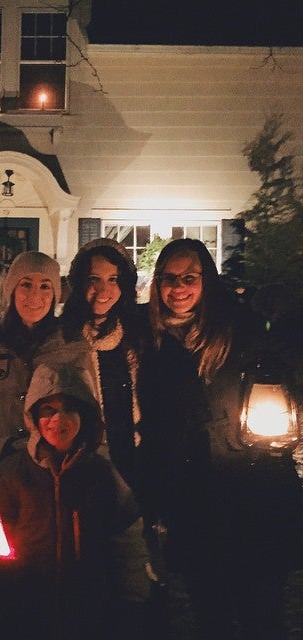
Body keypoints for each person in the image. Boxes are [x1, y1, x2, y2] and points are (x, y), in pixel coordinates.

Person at [139, 238, 303, 639]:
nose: (179, 288)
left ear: (206, 280)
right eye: (169, 278)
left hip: (251, 489)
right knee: (209, 608)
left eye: (189, 278)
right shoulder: (150, 340)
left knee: (259, 608)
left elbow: (283, 379)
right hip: (190, 495)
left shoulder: (240, 330)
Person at [0, 362, 151, 640]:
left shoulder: (101, 473)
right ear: (33, 417)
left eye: (69, 408)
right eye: (48, 410)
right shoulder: (14, 470)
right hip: (25, 606)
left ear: (85, 414)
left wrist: (132, 599)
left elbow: (127, 540)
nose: (58, 419)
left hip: (89, 610)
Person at [0, 250, 81, 525]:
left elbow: (88, 424)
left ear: (55, 294)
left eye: (45, 286)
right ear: (12, 290)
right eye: (26, 284)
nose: (35, 295)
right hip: (1, 484)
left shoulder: (74, 350)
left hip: (56, 485)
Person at [59, 238, 146, 493]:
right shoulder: (61, 338)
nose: (103, 289)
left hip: (133, 459)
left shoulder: (138, 337)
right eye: (93, 279)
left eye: (113, 279)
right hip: (81, 467)